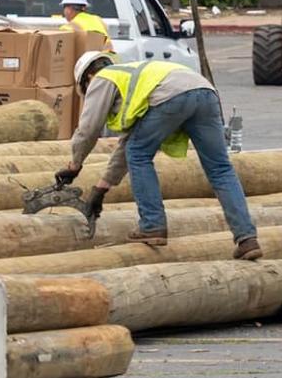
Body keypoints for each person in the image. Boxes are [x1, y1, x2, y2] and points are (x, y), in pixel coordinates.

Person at [62, 55, 260, 258]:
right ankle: (247, 239)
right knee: (220, 169)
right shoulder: (134, 81)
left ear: (88, 77)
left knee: (139, 154)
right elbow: (129, 144)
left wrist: (74, 165)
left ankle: (152, 224)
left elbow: (88, 129)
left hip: (173, 95)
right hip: (205, 92)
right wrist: (102, 187)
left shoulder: (103, 77)